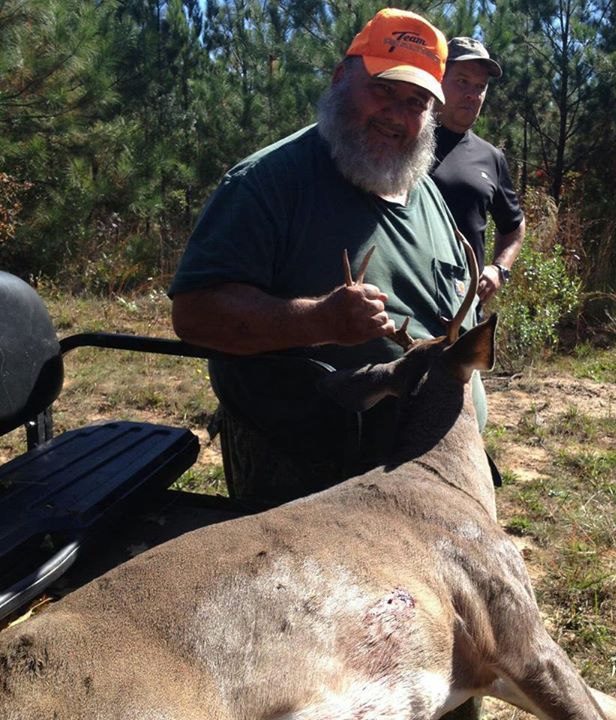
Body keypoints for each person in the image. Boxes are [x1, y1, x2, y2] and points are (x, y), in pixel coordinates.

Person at [169, 9, 488, 513]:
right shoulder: (270, 182)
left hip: (437, 471)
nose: (397, 113)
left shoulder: (423, 187)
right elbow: (195, 314)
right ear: (342, 78)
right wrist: (318, 320)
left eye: (417, 102)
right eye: (383, 89)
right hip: (312, 480)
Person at [431, 36, 526, 313]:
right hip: (404, 311)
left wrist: (499, 270)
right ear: (438, 79)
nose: (473, 94)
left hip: (464, 311)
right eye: (462, 81)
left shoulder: (490, 157)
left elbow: (514, 226)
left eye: (480, 87)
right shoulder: (406, 143)